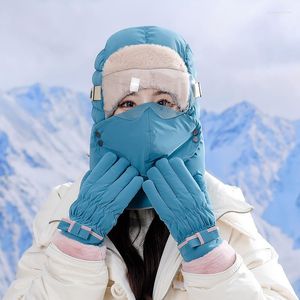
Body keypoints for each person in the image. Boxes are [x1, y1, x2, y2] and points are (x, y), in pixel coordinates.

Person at [3, 25, 298, 300]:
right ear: (102, 114)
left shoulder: (224, 213)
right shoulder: (64, 210)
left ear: (189, 111)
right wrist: (77, 246)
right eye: (128, 103)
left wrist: (209, 254)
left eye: (163, 103)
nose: (147, 119)